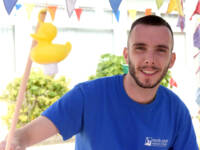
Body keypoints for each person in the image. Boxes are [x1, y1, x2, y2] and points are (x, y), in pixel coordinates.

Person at [0, 15, 199, 150]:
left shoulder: (177, 111)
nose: (149, 59)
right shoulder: (87, 97)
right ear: (126, 55)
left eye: (160, 50)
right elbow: (27, 134)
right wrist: (15, 141)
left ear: (171, 60)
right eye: (140, 48)